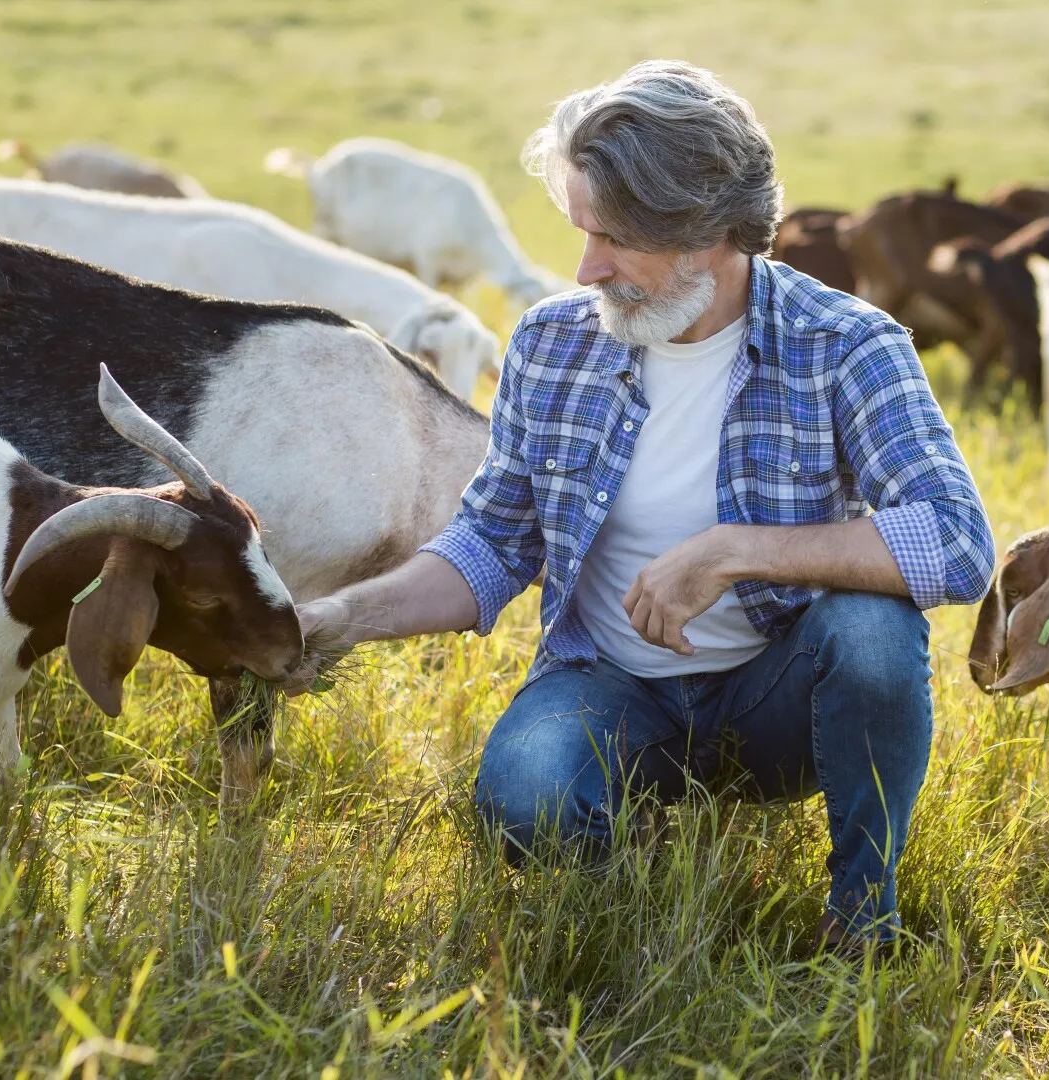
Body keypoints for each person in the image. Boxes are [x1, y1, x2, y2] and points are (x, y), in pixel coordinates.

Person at [290, 60, 994, 953]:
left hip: (779, 701)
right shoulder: (552, 344)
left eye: (615, 238)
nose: (587, 268)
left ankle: (863, 915)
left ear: (707, 230)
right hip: (609, 686)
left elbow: (958, 543)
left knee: (873, 631)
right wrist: (339, 618)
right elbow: (492, 546)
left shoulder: (846, 343)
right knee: (526, 805)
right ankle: (637, 876)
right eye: (584, 232)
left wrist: (735, 550)